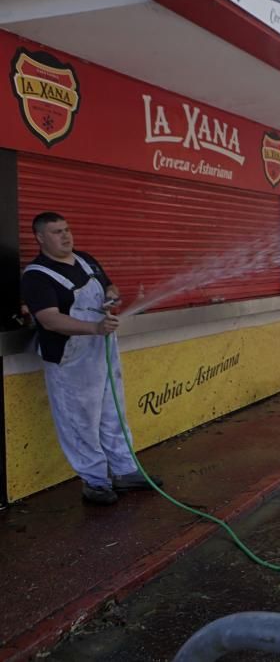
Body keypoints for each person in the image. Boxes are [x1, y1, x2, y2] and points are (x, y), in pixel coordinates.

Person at [20, 212, 162, 505]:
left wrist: (112, 295)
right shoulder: (37, 275)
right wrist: (94, 327)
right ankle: (95, 482)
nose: (66, 236)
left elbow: (108, 287)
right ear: (40, 238)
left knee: (114, 414)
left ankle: (125, 471)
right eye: (57, 232)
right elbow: (49, 320)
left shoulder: (85, 259)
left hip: (102, 353)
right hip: (70, 360)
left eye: (67, 229)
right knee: (80, 421)